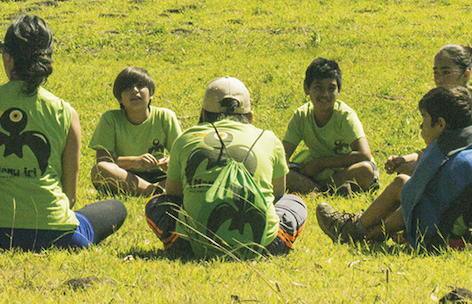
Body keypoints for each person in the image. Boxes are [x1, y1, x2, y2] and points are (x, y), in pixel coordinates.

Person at [0, 15, 127, 250]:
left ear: (8, 56)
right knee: (117, 208)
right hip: (59, 235)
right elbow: (70, 197)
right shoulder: (65, 112)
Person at [318, 86, 472, 252]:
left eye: (424, 119)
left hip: (452, 238)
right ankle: (358, 227)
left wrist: (395, 232)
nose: (421, 127)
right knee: (410, 189)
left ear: (440, 124)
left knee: (401, 184)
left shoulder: (441, 153)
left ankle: (357, 229)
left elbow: (413, 203)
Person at [145, 77, 308, 258]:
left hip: (191, 246)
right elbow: (278, 194)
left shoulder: (185, 139)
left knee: (156, 203)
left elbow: (173, 194)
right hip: (264, 246)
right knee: (295, 203)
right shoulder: (269, 139)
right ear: (251, 116)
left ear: (204, 114)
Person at [385, 44, 472, 175]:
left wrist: (418, 167)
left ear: (466, 75)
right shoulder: (447, 101)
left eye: (446, 72)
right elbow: (444, 145)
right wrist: (405, 159)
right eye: (435, 72)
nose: (439, 79)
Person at [282, 58, 377, 194]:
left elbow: (364, 155)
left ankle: (316, 190)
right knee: (281, 172)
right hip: (315, 173)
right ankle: (326, 190)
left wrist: (321, 163)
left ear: (338, 91)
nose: (325, 94)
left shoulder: (345, 116)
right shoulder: (301, 116)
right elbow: (283, 154)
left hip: (345, 170)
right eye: (318, 88)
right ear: (306, 88)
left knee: (365, 171)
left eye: (331, 88)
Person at [89, 66, 182, 197]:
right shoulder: (110, 119)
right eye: (127, 88)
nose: (134, 90)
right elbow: (103, 160)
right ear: (119, 98)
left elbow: (182, 155)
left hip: (159, 176)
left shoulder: (165, 116)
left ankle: (151, 189)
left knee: (190, 171)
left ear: (151, 94)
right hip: (125, 176)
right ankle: (154, 191)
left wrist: (170, 162)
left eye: (140, 86)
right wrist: (135, 161)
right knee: (100, 170)